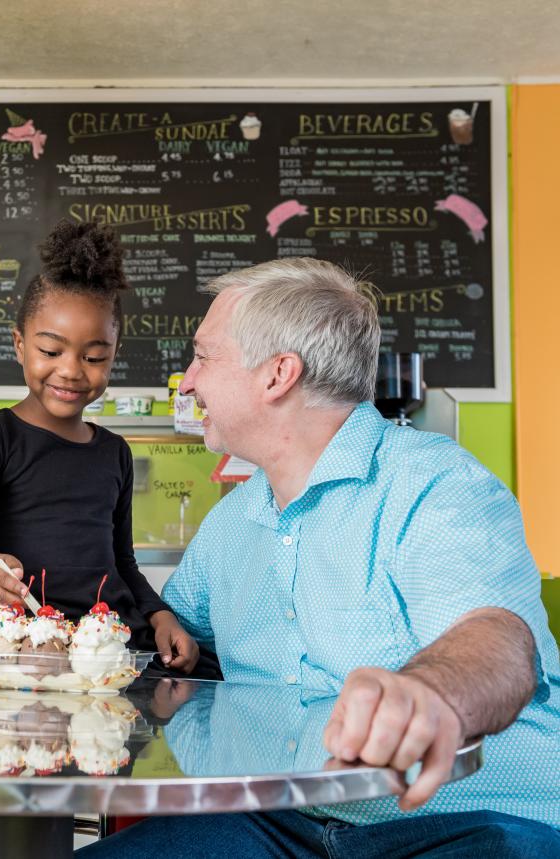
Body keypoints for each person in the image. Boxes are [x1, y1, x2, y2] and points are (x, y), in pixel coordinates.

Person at [78, 258, 560, 857]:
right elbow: (163, 648)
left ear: (278, 374)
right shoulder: (231, 522)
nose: (190, 380)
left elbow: (496, 639)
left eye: (204, 356)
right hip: (278, 821)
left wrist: (431, 692)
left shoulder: (436, 484)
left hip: (464, 821)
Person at [0, 220, 203, 675]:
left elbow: (122, 562)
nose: (72, 371)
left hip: (107, 654)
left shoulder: (114, 451)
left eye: (94, 357)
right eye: (51, 351)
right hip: (17, 650)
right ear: (20, 345)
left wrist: (160, 616)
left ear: (113, 355)